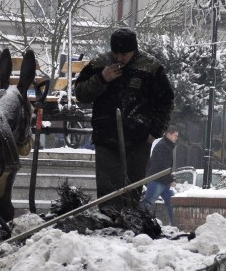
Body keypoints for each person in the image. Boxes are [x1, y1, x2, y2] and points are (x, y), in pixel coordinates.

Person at [73, 28, 174, 210]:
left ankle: (128, 229)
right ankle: (108, 227)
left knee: (132, 192)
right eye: (115, 53)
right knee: (107, 193)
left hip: (139, 140)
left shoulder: (150, 68)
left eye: (124, 54)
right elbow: (80, 93)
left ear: (134, 50)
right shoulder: (99, 65)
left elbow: (166, 101)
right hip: (106, 137)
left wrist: (155, 131)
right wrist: (102, 79)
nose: (119, 59)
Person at [140, 125, 179, 225]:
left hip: (162, 180)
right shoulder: (163, 146)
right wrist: (170, 180)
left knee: (172, 203)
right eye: (175, 135)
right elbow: (162, 165)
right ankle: (138, 221)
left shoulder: (166, 145)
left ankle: (176, 225)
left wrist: (169, 179)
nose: (176, 138)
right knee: (148, 203)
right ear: (169, 134)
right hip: (157, 180)